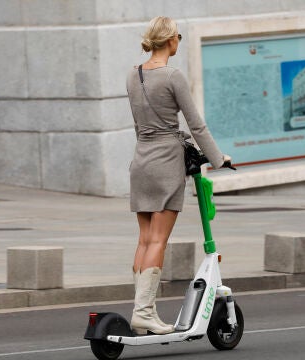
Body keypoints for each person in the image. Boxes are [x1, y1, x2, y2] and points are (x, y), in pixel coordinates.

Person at [126, 16, 230, 335]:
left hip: (140, 161)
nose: (179, 41)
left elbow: (139, 124)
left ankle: (144, 311)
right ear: (171, 40)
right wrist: (218, 158)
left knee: (145, 239)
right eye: (178, 37)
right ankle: (143, 311)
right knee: (159, 239)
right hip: (165, 162)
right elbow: (196, 125)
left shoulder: (134, 75)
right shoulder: (173, 76)